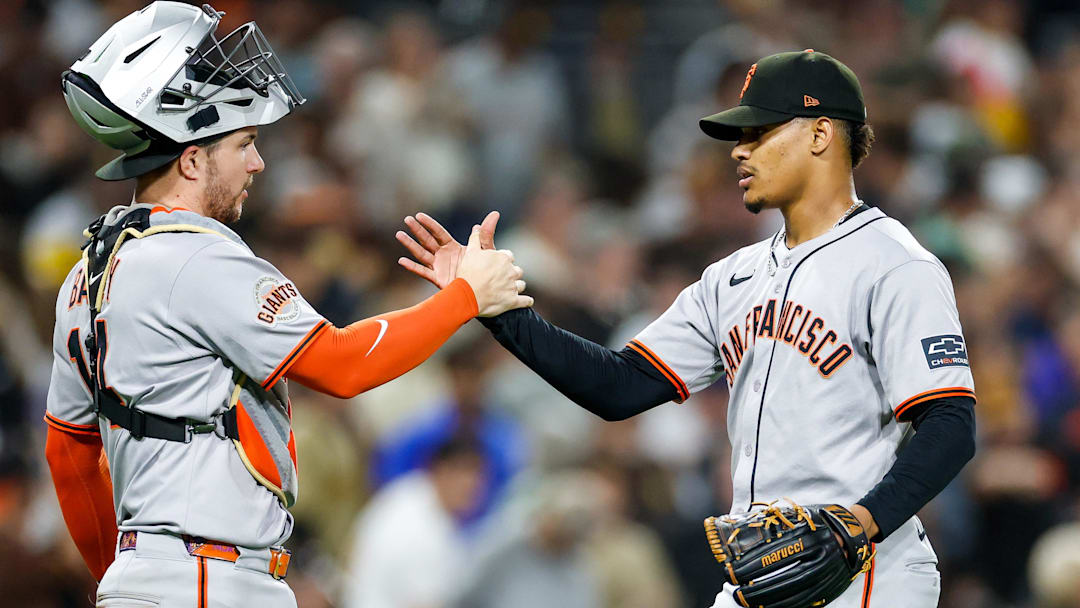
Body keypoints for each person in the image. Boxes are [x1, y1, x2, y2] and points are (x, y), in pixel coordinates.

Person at [398, 50, 976, 608]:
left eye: (758, 133)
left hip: (865, 569)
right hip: (763, 568)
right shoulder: (732, 277)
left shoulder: (895, 265)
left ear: (821, 135)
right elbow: (620, 387)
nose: (738, 152)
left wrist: (860, 526)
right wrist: (500, 310)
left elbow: (949, 423)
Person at [44, 3, 529, 607]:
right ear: (192, 158)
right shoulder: (197, 259)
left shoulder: (86, 273)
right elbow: (343, 364)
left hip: (149, 580)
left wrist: (116, 578)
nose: (258, 162)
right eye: (243, 143)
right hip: (209, 581)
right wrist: (466, 298)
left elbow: (68, 451)